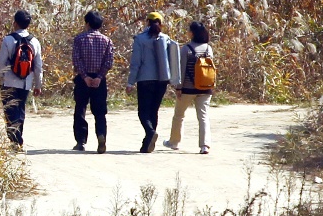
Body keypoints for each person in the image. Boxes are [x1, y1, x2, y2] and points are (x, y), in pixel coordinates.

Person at [127, 11, 180, 153]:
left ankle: (150, 132)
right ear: (161, 24)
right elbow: (173, 60)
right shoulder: (166, 39)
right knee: (153, 111)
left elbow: (136, 63)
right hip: (162, 80)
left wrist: (130, 82)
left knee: (143, 112)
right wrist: (175, 80)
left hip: (145, 79)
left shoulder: (140, 39)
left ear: (147, 22)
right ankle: (147, 144)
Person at [0, 10, 44, 150]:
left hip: (9, 81)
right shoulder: (35, 41)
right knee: (20, 110)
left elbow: (1, 62)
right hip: (26, 82)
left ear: (15, 23)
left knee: (10, 110)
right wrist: (38, 85)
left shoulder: (8, 40)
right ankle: (18, 139)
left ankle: (14, 141)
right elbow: (38, 66)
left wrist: (0, 78)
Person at [70, 10, 114, 153]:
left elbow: (76, 60)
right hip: (99, 81)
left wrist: (84, 76)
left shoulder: (79, 39)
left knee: (80, 109)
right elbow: (108, 62)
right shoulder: (106, 41)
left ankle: (81, 141)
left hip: (83, 80)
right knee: (100, 111)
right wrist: (100, 76)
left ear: (87, 23)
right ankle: (101, 135)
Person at [168, 22, 215, 155]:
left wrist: (178, 87)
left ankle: (174, 142)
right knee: (203, 117)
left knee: (179, 115)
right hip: (205, 88)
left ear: (192, 33)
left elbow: (181, 70)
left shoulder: (186, 49)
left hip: (188, 88)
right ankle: (205, 145)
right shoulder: (208, 48)